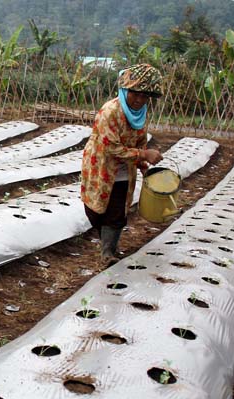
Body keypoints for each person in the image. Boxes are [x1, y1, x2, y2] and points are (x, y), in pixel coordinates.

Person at [81, 63, 164, 265]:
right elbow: (111, 148)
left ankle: (108, 253)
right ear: (125, 90)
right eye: (135, 94)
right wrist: (144, 154)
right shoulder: (110, 111)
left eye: (145, 96)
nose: (139, 100)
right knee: (94, 209)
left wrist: (145, 167)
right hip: (100, 166)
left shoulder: (141, 114)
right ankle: (106, 241)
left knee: (117, 211)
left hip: (124, 170)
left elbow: (140, 141)